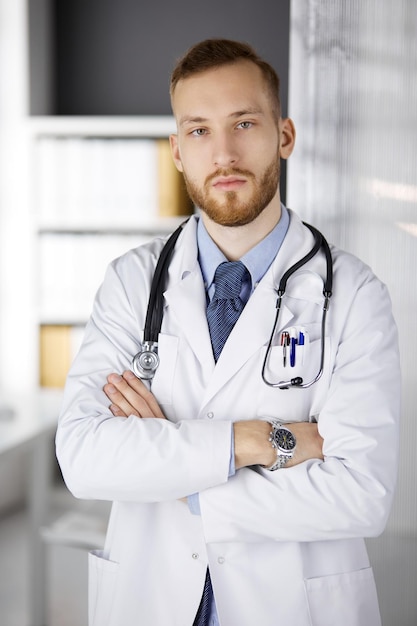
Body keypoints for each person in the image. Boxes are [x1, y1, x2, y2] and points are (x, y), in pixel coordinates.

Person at [56, 39, 401, 626]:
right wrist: (258, 441)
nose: (224, 153)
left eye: (244, 123)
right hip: (150, 598)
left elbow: (361, 494)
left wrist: (175, 469)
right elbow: (85, 459)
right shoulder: (132, 281)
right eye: (198, 131)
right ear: (176, 151)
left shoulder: (355, 293)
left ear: (284, 135)